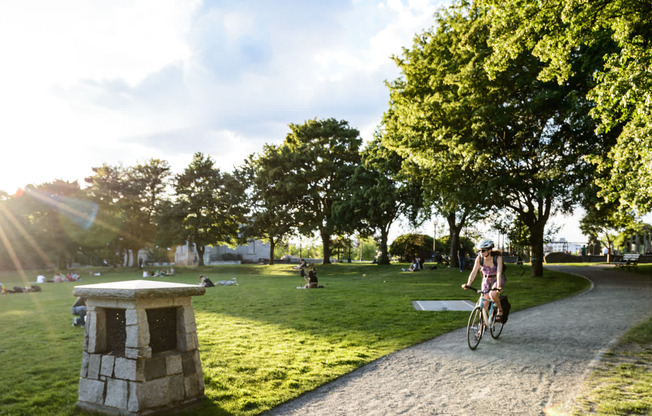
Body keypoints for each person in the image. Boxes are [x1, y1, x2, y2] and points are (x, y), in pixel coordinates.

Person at [462, 239, 505, 321]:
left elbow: (499, 273)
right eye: (479, 250)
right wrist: (469, 283)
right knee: (484, 303)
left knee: (492, 294)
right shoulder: (479, 259)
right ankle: (481, 326)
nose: (480, 252)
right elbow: (474, 271)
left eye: (483, 250)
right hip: (486, 280)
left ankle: (500, 309)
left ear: (489, 250)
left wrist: (499, 286)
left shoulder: (498, 258)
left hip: (497, 279)